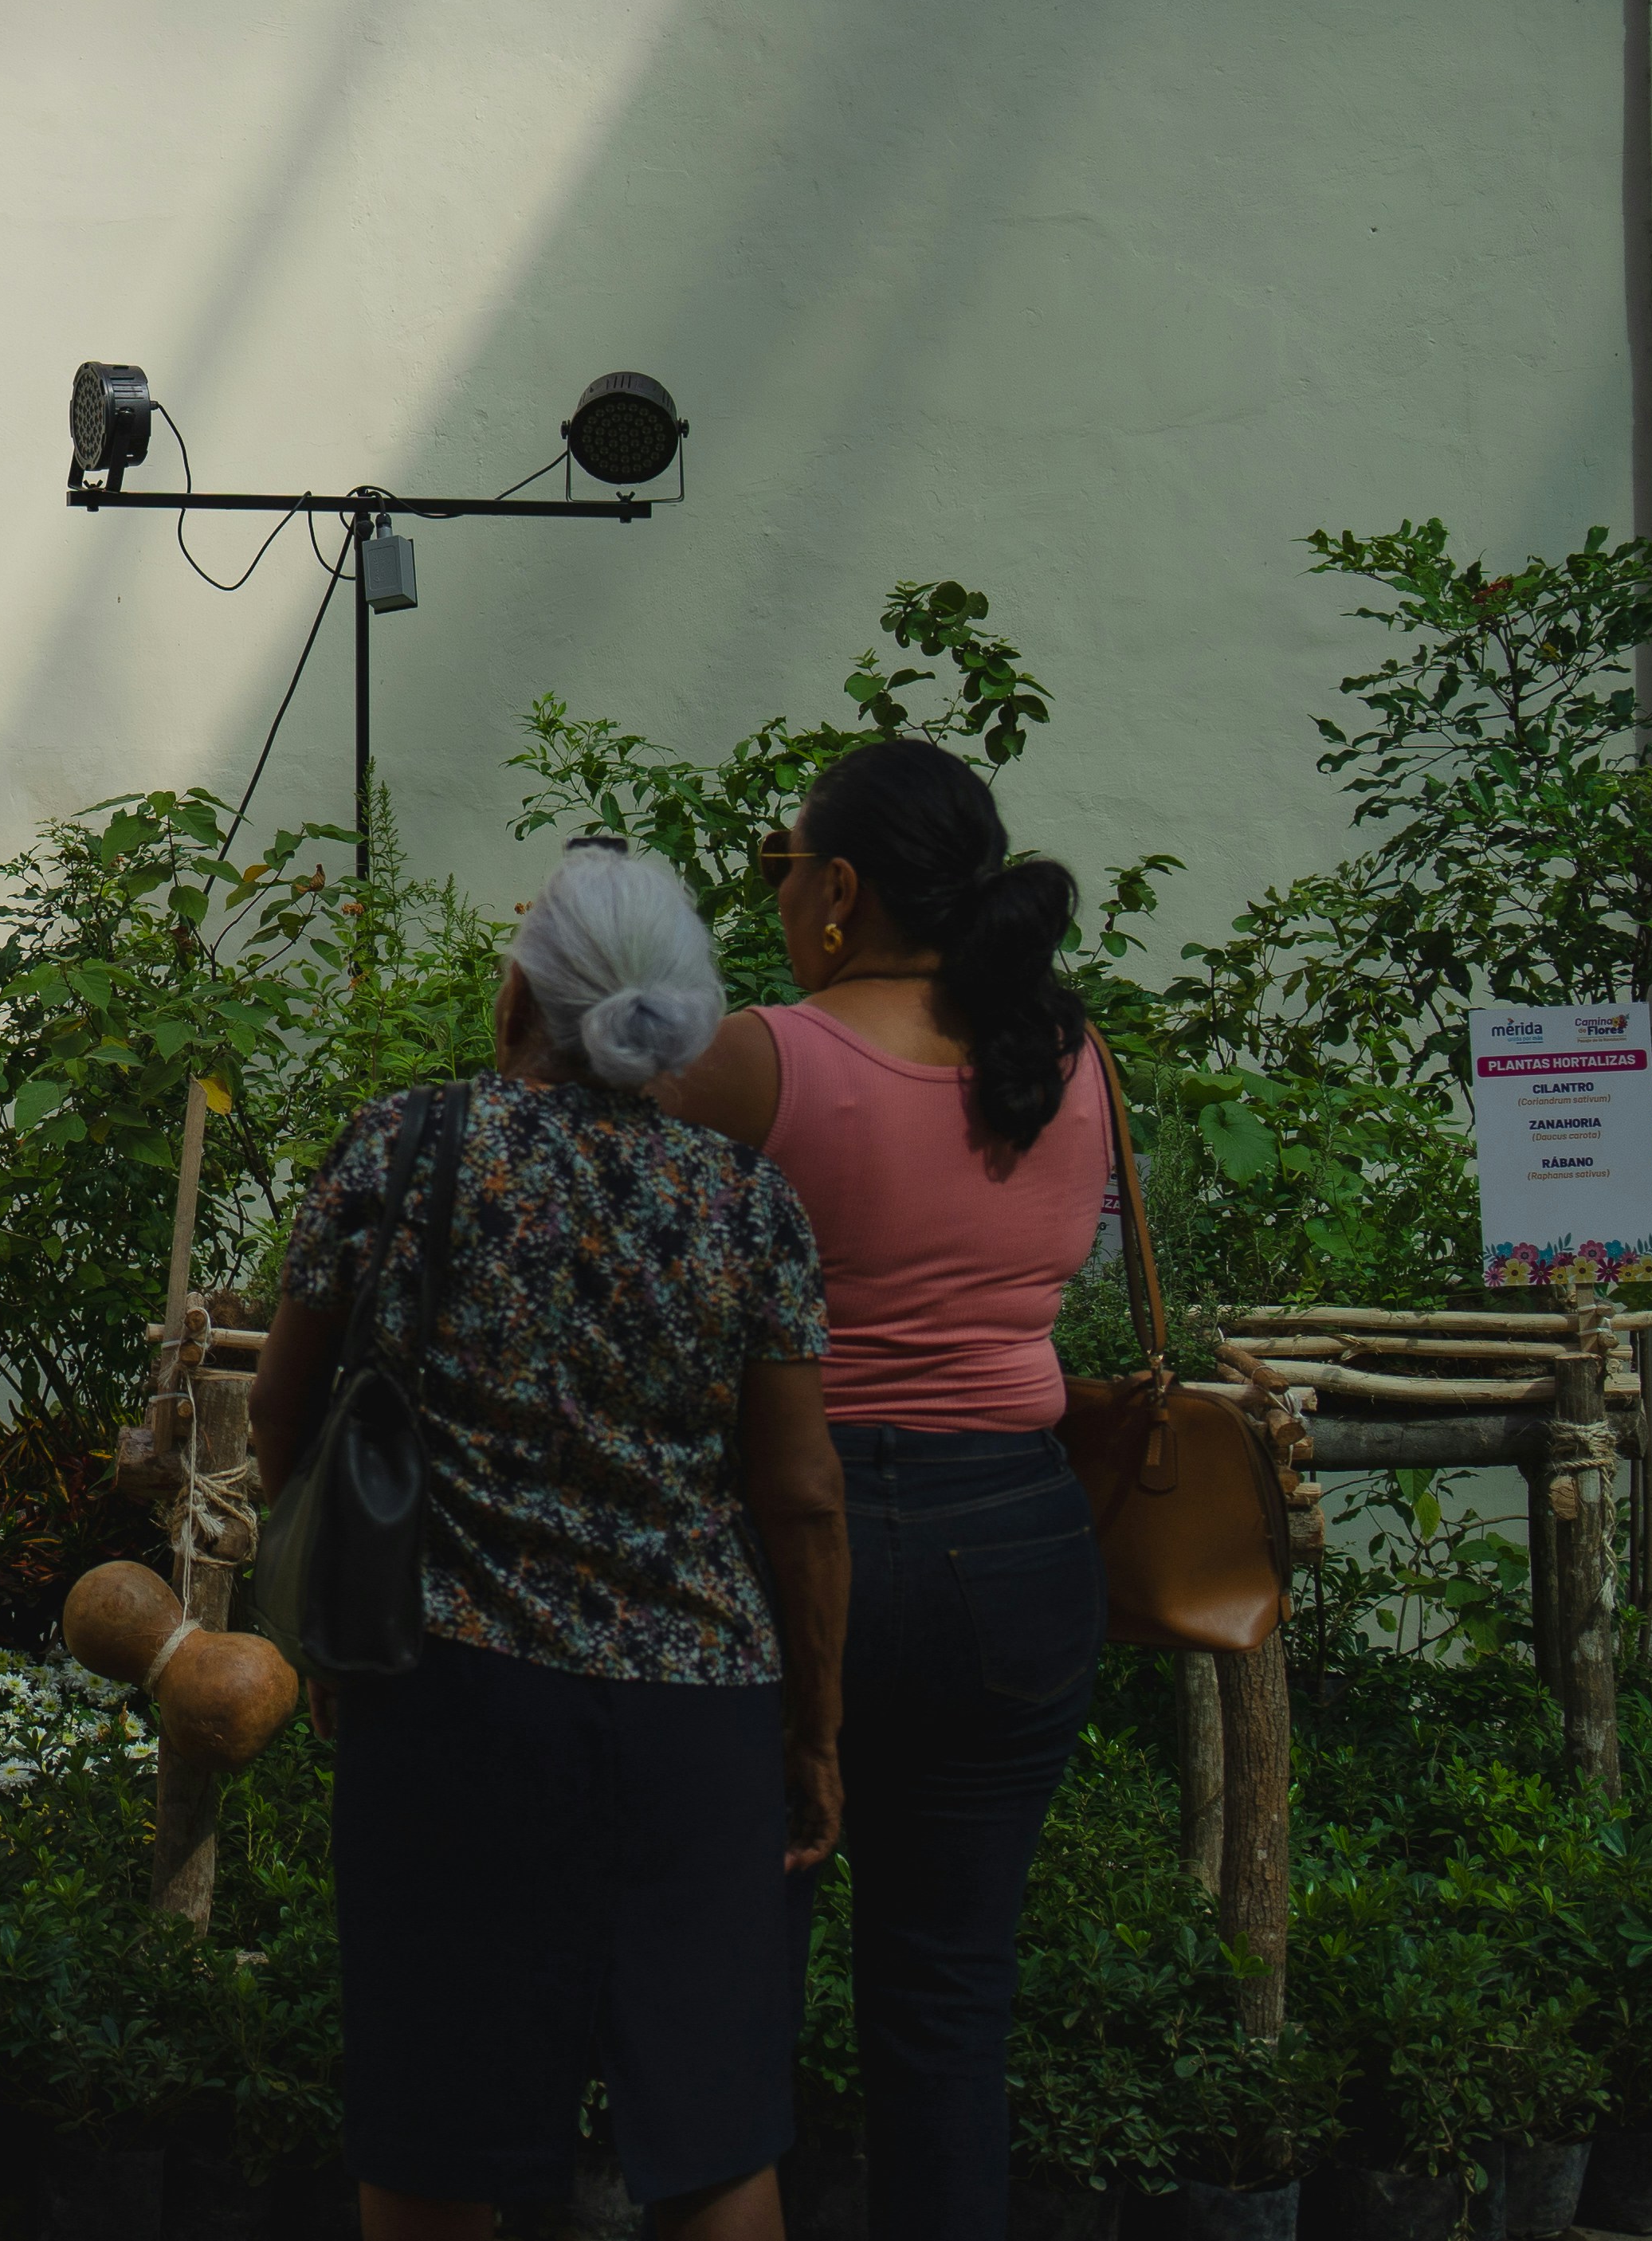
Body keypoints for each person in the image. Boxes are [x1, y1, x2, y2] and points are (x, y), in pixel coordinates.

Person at [253, 844, 847, 2241]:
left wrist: (331, 1614)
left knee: (440, 2133)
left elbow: (285, 1403)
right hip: (697, 1710)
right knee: (712, 2138)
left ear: (516, 994)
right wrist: (814, 1732)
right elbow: (800, 1492)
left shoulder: (403, 1145)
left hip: (451, 1687)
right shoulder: (746, 1203)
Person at [648, 737, 1115, 2241]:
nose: (779, 892)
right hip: (1020, 1549)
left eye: (785, 864)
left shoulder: (758, 1057)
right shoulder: (1065, 1052)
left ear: (838, 887)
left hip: (782, 1540)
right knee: (949, 2003)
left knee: (725, 2004)